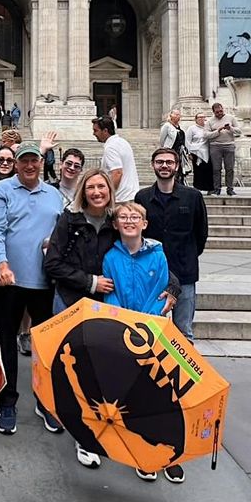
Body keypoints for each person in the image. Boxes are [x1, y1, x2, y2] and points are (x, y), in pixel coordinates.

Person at [101, 200, 183, 483]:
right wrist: (123, 323)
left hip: (152, 329)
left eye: (135, 217)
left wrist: (147, 323)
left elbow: (161, 291)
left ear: (145, 224)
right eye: (123, 217)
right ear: (115, 224)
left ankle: (170, 452)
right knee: (131, 391)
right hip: (123, 331)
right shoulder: (110, 257)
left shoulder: (158, 255)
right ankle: (143, 452)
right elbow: (111, 293)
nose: (129, 221)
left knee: (158, 390)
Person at [43, 168, 119, 469]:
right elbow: (52, 264)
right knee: (70, 367)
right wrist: (90, 282)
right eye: (91, 187)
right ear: (83, 192)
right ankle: (76, 428)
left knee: (99, 371)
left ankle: (92, 427)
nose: (97, 192)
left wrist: (172, 286)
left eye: (102, 187)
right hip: (71, 301)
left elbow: (140, 251)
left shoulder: (117, 221)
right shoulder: (70, 220)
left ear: (110, 191)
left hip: (106, 307)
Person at [0, 142, 64, 436]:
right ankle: (7, 403)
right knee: (6, 342)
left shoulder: (54, 194)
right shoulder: (2, 190)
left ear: (41, 163)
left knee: (44, 347)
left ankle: (45, 401)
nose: (29, 166)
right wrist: (2, 264)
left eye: (34, 160)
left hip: (45, 281)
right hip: (10, 280)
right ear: (16, 164)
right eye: (24, 161)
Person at [136, 148, 208, 348]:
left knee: (183, 331)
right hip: (153, 272)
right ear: (153, 165)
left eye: (169, 162)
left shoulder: (192, 196)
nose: (164, 166)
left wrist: (188, 254)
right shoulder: (142, 197)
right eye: (160, 162)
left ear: (177, 166)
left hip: (184, 271)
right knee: (149, 328)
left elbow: (201, 233)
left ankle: (182, 367)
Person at [93, 116, 139, 201]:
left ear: (105, 131)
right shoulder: (123, 142)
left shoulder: (111, 147)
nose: (94, 134)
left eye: (96, 130)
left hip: (120, 198)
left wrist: (108, 195)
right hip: (130, 195)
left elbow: (117, 173)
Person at [204, 102, 241, 196]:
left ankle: (230, 189)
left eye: (221, 111)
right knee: (216, 169)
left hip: (229, 145)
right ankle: (217, 189)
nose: (220, 113)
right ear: (213, 112)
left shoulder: (231, 118)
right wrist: (218, 131)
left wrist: (230, 128)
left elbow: (239, 131)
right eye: (217, 112)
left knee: (230, 168)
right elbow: (206, 135)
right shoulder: (209, 121)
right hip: (215, 146)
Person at [185, 112, 212, 192]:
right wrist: (188, 152)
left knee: (208, 170)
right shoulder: (191, 128)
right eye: (199, 117)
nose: (201, 119)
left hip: (207, 151)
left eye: (203, 117)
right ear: (196, 119)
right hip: (196, 152)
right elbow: (187, 141)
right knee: (198, 170)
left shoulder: (208, 128)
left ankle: (209, 188)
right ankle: (197, 187)